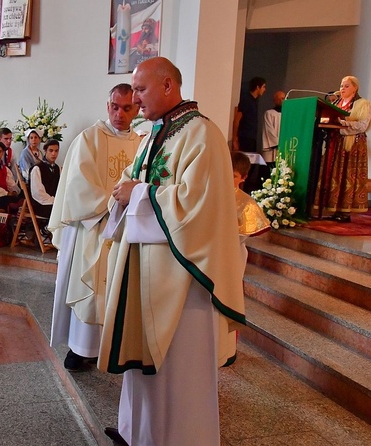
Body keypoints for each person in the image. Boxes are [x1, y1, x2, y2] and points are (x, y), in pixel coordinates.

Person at [98, 57, 245, 446]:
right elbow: (134, 180)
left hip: (181, 279)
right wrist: (124, 193)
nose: (134, 100)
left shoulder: (203, 135)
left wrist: (138, 194)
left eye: (141, 90)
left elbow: (197, 207)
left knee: (177, 371)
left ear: (168, 86)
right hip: (145, 267)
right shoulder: (154, 134)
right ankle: (137, 433)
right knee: (143, 362)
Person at [49, 83, 142, 372]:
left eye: (127, 108)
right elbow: (79, 186)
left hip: (128, 228)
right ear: (107, 106)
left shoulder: (142, 143)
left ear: (137, 109)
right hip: (94, 226)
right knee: (91, 290)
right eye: (115, 107)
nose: (120, 114)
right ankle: (81, 349)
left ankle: (112, 347)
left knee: (117, 287)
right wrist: (114, 204)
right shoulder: (89, 139)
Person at [218, 152, 270, 367]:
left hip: (231, 256)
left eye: (232, 176)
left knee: (228, 296)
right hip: (209, 256)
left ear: (242, 178)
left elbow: (242, 234)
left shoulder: (246, 204)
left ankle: (227, 345)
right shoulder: (210, 194)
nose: (226, 179)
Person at [320, 75, 371, 223]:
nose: (342, 88)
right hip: (335, 143)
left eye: (346, 86)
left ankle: (345, 211)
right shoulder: (336, 102)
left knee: (347, 176)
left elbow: (363, 125)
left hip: (352, 145)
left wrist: (343, 123)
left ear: (355, 88)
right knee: (335, 175)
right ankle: (333, 207)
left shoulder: (363, 104)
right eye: (341, 85)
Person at [233, 76, 267, 153]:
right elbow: (237, 120)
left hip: (251, 137)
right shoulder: (246, 100)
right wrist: (235, 139)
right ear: (258, 87)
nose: (264, 89)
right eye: (263, 87)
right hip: (245, 137)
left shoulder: (255, 101)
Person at [29, 139, 60, 220]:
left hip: (54, 202)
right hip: (41, 204)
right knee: (62, 211)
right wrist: (54, 201)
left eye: (56, 151)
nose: (54, 154)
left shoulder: (57, 168)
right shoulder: (37, 168)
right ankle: (46, 230)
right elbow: (37, 193)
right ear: (45, 151)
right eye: (51, 150)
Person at [261, 90, 286, 166]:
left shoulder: (287, 114)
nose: (281, 101)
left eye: (283, 98)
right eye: (279, 99)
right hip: (272, 148)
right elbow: (268, 129)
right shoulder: (269, 113)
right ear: (275, 100)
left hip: (283, 147)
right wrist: (277, 143)